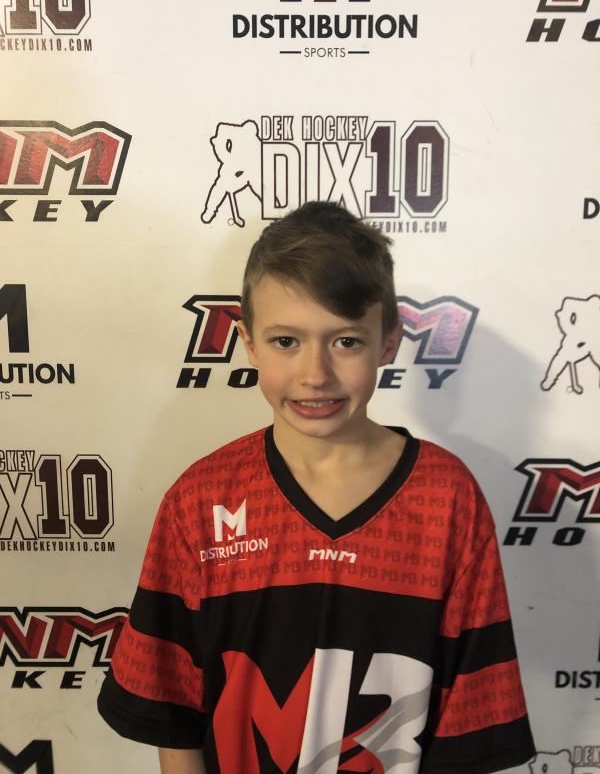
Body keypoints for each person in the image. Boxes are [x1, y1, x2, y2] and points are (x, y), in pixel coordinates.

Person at [98, 201, 536, 774]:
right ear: (248, 342)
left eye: (346, 342)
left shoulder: (446, 499)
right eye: (286, 341)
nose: (315, 374)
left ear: (387, 342)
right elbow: (170, 712)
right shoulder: (201, 499)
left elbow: (471, 725)